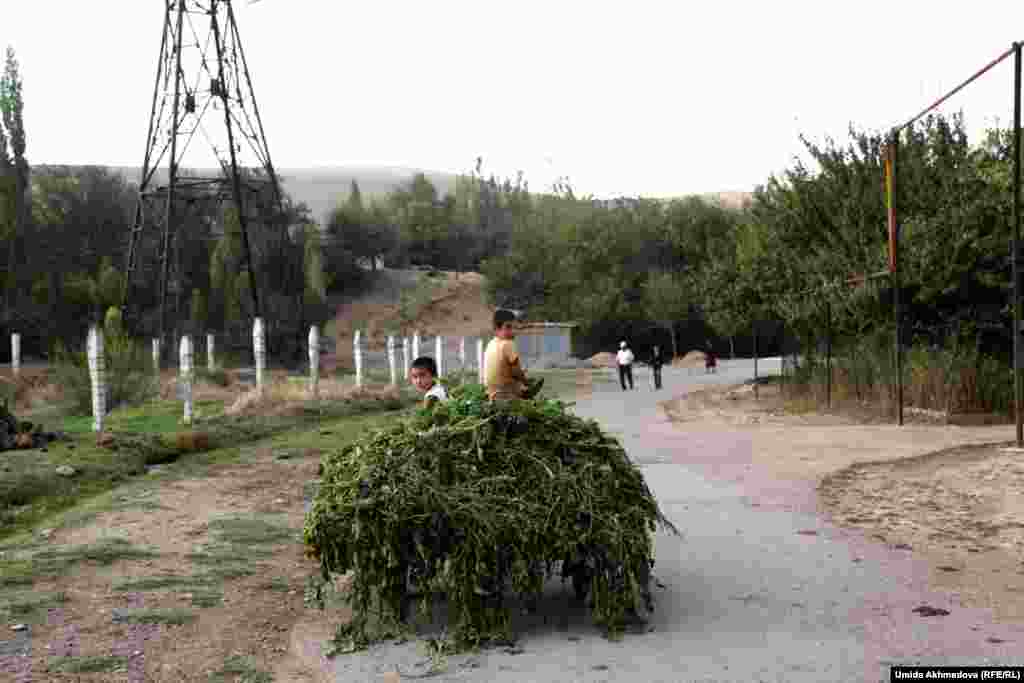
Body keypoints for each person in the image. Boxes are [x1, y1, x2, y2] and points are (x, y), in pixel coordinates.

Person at [483, 309, 544, 401]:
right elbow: (516, 372)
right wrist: (526, 382)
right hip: (506, 394)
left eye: (515, 327)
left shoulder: (490, 344)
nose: (513, 331)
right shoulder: (508, 344)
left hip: (491, 393)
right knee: (528, 385)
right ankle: (525, 393)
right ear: (496, 328)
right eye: (508, 327)